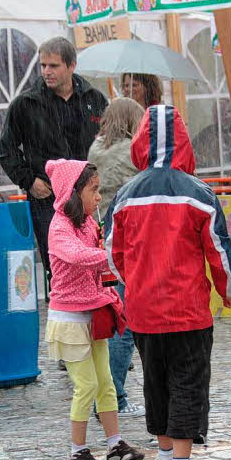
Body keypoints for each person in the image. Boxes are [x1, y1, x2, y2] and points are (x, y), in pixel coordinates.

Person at [106, 104, 231, 460]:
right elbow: (218, 250)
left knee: (156, 383)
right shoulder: (199, 195)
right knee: (187, 383)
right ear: (184, 143)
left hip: (144, 311)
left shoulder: (124, 196)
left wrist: (136, 283)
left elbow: (115, 253)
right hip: (188, 312)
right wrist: (227, 291)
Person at [43, 158, 145, 460]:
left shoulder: (87, 223)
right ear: (73, 193)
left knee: (106, 383)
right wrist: (114, 255)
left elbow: (99, 265)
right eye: (94, 190)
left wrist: (119, 261)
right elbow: (78, 257)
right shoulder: (59, 228)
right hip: (69, 321)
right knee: (85, 385)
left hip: (93, 315)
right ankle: (77, 452)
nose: (99, 197)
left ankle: (115, 445)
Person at [0, 37, 107, 282]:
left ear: (71, 65)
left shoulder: (94, 100)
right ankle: (63, 316)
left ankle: (96, 315)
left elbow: (108, 144)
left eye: (54, 66)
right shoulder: (25, 104)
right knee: (58, 268)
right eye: (43, 65)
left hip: (88, 197)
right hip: (48, 199)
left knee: (95, 261)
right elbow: (6, 151)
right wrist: (29, 181)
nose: (46, 71)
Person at [87, 98, 145, 418]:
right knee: (126, 322)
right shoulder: (130, 154)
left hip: (105, 234)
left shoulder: (96, 150)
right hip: (130, 236)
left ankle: (106, 393)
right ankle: (114, 396)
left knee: (113, 316)